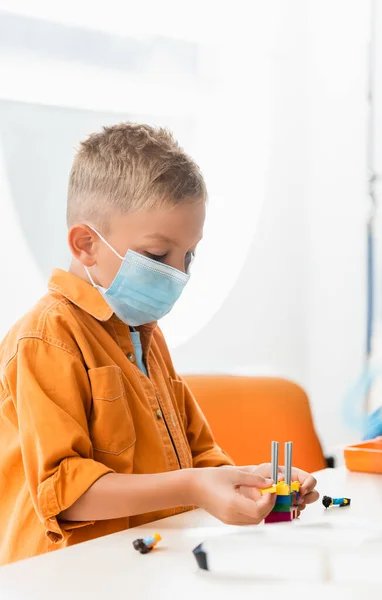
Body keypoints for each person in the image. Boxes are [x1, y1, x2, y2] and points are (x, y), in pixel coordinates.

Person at [0, 123, 318, 565]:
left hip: (144, 567)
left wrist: (250, 482)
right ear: (86, 243)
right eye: (156, 256)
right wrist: (192, 486)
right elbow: (67, 494)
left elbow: (199, 456)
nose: (178, 273)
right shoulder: (46, 338)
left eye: (189, 256)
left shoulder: (145, 334)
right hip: (65, 577)